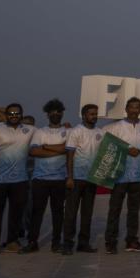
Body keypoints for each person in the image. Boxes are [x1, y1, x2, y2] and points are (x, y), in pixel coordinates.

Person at [104, 97, 140, 254]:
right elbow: (108, 145)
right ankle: (110, 242)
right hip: (119, 175)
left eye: (137, 107)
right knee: (115, 209)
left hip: (137, 176)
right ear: (126, 109)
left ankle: (131, 241)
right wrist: (126, 149)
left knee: (134, 211)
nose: (134, 110)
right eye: (131, 107)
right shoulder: (116, 127)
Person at [0, 103, 33, 254]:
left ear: (21, 115)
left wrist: (65, 127)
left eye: (17, 113)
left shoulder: (30, 130)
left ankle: (12, 241)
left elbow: (46, 133)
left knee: (16, 213)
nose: (14, 115)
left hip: (20, 180)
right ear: (6, 115)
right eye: (10, 113)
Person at [22, 99, 69, 253]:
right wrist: (59, 148)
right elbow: (33, 152)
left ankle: (56, 242)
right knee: (37, 212)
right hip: (40, 179)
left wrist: (46, 147)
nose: (56, 114)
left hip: (60, 179)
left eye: (58, 111)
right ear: (47, 114)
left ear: (62, 113)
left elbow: (68, 150)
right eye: (52, 112)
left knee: (58, 213)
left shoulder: (69, 131)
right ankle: (32, 241)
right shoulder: (40, 132)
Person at [63, 103, 102, 254]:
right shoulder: (76, 131)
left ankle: (83, 243)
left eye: (96, 113)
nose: (94, 116)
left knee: (87, 213)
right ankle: (67, 243)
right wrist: (70, 177)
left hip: (91, 179)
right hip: (76, 179)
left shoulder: (100, 132)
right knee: (71, 212)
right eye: (91, 114)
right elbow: (69, 156)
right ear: (84, 115)